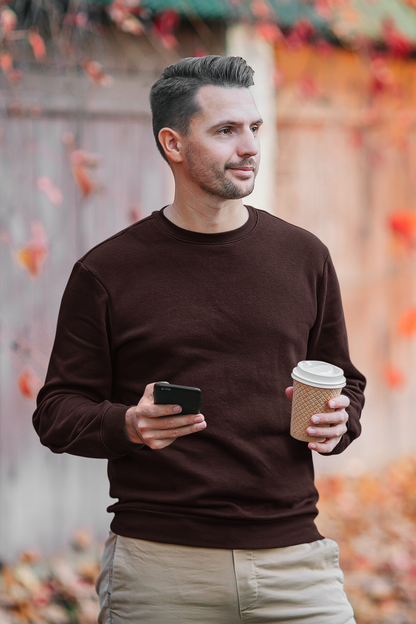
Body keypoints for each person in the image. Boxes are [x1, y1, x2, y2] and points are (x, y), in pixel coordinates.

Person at [33, 55, 366, 624]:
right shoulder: (107, 272)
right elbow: (57, 412)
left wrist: (341, 420)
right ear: (174, 143)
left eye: (254, 128)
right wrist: (127, 426)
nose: (250, 146)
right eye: (225, 131)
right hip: (161, 570)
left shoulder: (304, 256)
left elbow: (345, 379)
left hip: (295, 564)